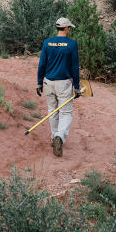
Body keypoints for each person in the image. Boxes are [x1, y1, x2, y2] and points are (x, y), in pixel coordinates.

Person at [37, 17, 80, 157]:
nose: (70, 30)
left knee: (52, 111)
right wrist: (77, 86)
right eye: (69, 28)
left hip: (48, 82)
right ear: (66, 28)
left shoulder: (47, 43)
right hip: (64, 83)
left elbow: (42, 64)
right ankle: (59, 137)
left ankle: (54, 136)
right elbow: (74, 67)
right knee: (66, 112)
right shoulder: (72, 44)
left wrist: (39, 82)